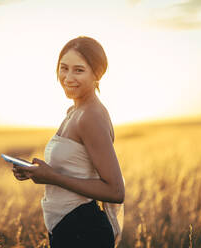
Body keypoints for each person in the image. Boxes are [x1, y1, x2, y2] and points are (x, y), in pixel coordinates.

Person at [12, 36, 125, 248]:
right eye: (64, 68)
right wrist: (35, 172)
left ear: (97, 74)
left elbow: (115, 192)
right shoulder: (75, 111)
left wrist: (52, 177)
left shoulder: (90, 116)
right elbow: (74, 169)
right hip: (69, 227)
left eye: (79, 70)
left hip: (83, 231)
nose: (68, 77)